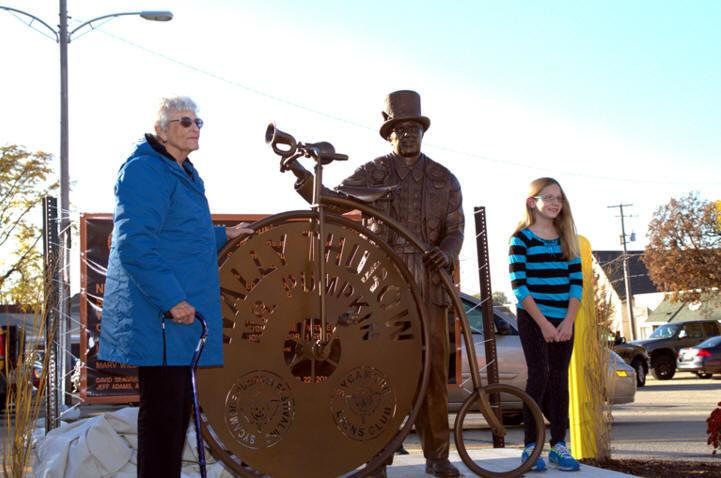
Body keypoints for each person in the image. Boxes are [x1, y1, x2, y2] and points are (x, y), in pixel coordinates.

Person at [286, 90, 464, 478]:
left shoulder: (443, 179)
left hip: (429, 283)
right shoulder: (373, 173)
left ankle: (437, 456)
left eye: (414, 128)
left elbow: (455, 228)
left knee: (433, 371)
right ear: (389, 134)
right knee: (377, 368)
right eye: (400, 129)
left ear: (423, 132)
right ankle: (377, 456)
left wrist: (446, 253)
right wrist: (301, 175)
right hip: (381, 284)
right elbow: (330, 200)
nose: (409, 134)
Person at [99, 96, 253, 478]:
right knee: (163, 420)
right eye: (184, 121)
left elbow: (179, 233)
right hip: (163, 319)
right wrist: (171, 300)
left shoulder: (180, 171)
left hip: (177, 320)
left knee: (175, 416)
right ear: (161, 130)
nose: (194, 127)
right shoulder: (145, 170)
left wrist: (224, 235)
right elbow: (135, 244)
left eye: (198, 121)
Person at [508, 177, 583, 472]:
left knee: (559, 380)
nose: (555, 203)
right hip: (533, 318)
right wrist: (543, 324)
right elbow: (519, 287)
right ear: (532, 202)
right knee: (538, 377)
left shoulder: (567, 239)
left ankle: (559, 445)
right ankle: (530, 446)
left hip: (564, 320)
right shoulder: (521, 239)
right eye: (548, 197)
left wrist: (568, 321)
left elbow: (577, 285)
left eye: (559, 198)